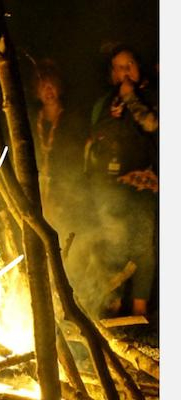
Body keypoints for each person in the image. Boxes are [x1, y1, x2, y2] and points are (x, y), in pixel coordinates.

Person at [86, 45, 158, 316]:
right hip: (110, 185)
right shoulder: (106, 102)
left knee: (143, 246)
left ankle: (139, 312)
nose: (125, 71)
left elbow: (152, 126)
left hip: (144, 182)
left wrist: (131, 99)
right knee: (114, 242)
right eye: (119, 67)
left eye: (129, 65)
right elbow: (95, 137)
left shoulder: (151, 95)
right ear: (113, 73)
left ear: (138, 67)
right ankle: (114, 306)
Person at [29, 60, 87, 224]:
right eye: (43, 86)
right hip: (39, 188)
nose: (48, 90)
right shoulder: (32, 121)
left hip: (68, 189)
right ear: (36, 91)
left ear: (59, 87)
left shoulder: (72, 119)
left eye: (52, 85)